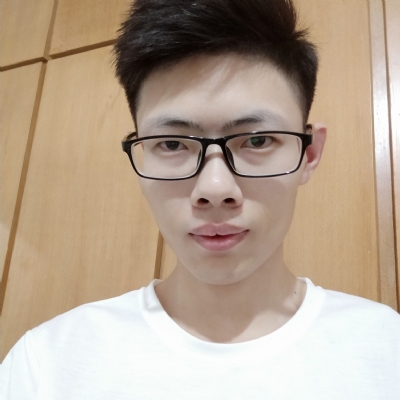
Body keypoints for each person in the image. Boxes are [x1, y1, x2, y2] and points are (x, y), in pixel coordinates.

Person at [1, 0, 399, 398]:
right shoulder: (47, 363)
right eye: (172, 143)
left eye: (257, 140)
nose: (214, 189)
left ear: (308, 154)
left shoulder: (385, 349)